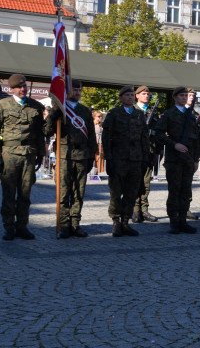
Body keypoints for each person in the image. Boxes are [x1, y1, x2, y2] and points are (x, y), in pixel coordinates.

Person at [0, 74, 46, 241]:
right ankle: (9, 227)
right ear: (11, 89)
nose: (23, 89)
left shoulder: (35, 106)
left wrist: (41, 154)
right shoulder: (3, 105)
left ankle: (22, 226)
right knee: (9, 193)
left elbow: (39, 133)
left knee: (25, 194)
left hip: (28, 154)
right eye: (19, 87)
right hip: (10, 153)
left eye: (24, 86)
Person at [47, 79, 97, 238]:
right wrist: (54, 116)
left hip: (82, 156)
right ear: (67, 91)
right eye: (74, 89)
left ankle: (75, 224)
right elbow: (46, 131)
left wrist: (91, 156)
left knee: (78, 192)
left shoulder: (84, 110)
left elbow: (91, 135)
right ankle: (64, 225)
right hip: (64, 155)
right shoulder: (60, 109)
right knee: (63, 193)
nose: (77, 92)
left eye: (79, 90)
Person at [153, 86, 200, 234]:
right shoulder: (169, 114)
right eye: (181, 95)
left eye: (185, 95)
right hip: (174, 159)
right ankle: (173, 221)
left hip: (188, 159)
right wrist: (175, 144)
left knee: (186, 191)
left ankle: (183, 220)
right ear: (175, 97)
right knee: (174, 191)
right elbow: (159, 134)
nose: (184, 98)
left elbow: (196, 139)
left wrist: (195, 159)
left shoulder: (191, 115)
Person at [102, 86, 149, 236]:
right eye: (127, 95)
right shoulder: (114, 114)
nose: (130, 97)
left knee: (131, 192)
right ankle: (116, 222)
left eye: (131, 95)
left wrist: (145, 158)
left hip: (135, 159)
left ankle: (125, 222)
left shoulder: (139, 114)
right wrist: (108, 158)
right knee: (116, 192)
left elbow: (144, 138)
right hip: (118, 159)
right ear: (121, 97)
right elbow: (106, 137)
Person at [132, 85, 159, 223]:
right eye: (143, 93)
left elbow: (156, 135)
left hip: (148, 152)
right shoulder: (132, 111)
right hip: (135, 153)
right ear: (137, 95)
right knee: (135, 182)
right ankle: (135, 210)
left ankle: (144, 210)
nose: (146, 96)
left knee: (146, 183)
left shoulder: (152, 112)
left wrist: (156, 153)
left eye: (148, 94)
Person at [92, 110, 105, 178]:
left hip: (100, 143)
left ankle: (98, 173)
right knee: (94, 158)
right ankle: (93, 173)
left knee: (100, 158)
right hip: (94, 143)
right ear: (94, 117)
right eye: (98, 116)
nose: (100, 118)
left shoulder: (101, 125)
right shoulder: (92, 125)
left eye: (101, 116)